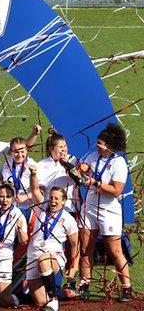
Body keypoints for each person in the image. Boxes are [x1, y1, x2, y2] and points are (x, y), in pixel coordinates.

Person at [78, 123, 131, 302]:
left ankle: (126, 288)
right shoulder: (93, 156)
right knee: (86, 248)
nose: (97, 145)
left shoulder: (119, 162)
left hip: (109, 210)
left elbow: (117, 190)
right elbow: (82, 167)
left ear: (109, 145)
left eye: (100, 143)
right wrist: (81, 169)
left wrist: (96, 183)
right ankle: (84, 285)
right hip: (90, 206)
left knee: (114, 250)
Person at [26, 165, 79, 311]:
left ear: (63, 201)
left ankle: (54, 297)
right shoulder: (41, 208)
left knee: (43, 260)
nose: (53, 201)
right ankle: (58, 296)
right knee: (42, 303)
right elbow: (35, 189)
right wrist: (33, 174)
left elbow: (75, 245)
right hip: (33, 255)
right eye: (51, 198)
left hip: (53, 256)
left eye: (57, 199)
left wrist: (73, 267)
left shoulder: (68, 219)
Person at [37, 128, 80, 214]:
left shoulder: (73, 160)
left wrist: (66, 164)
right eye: (60, 147)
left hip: (69, 207)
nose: (64, 149)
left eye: (65, 146)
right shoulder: (41, 164)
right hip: (50, 207)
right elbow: (40, 188)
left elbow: (79, 179)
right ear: (51, 148)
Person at [1, 137, 38, 209]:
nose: (19, 155)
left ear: (26, 150)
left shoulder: (33, 165)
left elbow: (41, 190)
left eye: (22, 151)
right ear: (11, 151)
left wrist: (26, 196)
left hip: (30, 207)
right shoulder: (7, 163)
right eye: (16, 152)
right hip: (10, 206)